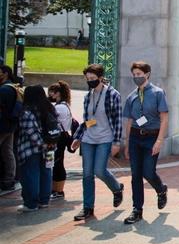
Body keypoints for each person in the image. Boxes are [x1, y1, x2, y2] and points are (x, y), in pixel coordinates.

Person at [71, 64, 124, 221]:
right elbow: (88, 120)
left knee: (99, 170)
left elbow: (118, 120)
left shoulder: (113, 95)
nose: (90, 81)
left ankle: (116, 188)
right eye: (88, 79)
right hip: (88, 138)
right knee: (87, 174)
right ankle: (87, 207)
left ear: (100, 78)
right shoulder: (88, 96)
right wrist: (78, 137)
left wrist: (117, 142)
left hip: (105, 138)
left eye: (93, 79)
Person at [122, 61, 169, 225]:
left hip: (151, 136)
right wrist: (127, 143)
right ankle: (137, 209)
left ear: (147, 74)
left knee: (148, 172)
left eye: (139, 74)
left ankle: (161, 189)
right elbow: (129, 121)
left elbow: (164, 118)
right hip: (135, 137)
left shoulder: (157, 93)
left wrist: (159, 140)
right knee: (135, 175)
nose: (137, 77)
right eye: (134, 75)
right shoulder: (131, 96)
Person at [16, 85, 55, 212]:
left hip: (31, 149)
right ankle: (44, 200)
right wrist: (49, 144)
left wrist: (41, 144)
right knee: (46, 173)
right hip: (50, 148)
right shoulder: (49, 108)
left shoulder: (26, 111)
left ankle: (31, 204)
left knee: (30, 174)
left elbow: (31, 132)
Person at [48, 81, 72, 200]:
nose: (50, 95)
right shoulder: (64, 105)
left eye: (51, 92)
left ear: (57, 93)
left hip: (59, 137)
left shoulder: (60, 107)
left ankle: (58, 190)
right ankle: (56, 189)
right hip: (61, 136)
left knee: (57, 163)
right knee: (56, 162)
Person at [0, 65, 21, 191]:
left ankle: (8, 178)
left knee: (7, 152)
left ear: (5, 73)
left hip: (2, 126)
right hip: (11, 126)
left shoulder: (3, 90)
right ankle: (9, 178)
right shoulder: (14, 87)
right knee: (8, 152)